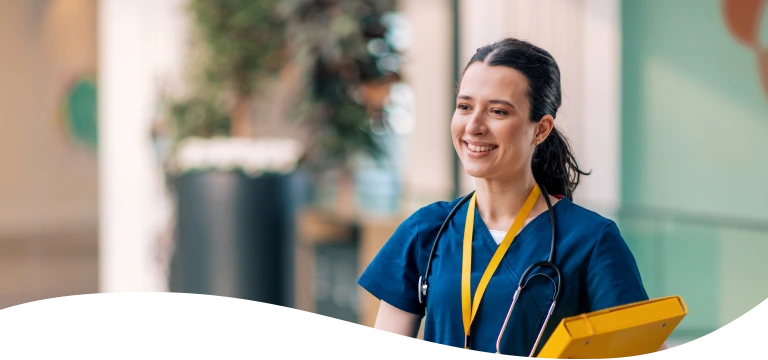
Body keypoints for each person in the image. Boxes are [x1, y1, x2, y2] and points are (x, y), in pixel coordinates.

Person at [357, 37, 667, 357]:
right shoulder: (425, 230)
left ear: (541, 129)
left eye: (498, 111)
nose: (473, 126)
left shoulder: (590, 240)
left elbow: (641, 350)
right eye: (464, 106)